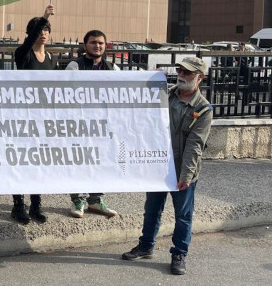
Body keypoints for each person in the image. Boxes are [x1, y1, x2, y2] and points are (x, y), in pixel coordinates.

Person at [122, 57, 213, 276]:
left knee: (183, 215)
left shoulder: (203, 109)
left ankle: (179, 253)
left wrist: (186, 175)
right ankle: (146, 246)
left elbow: (194, 145)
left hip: (183, 170)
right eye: (179, 70)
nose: (181, 75)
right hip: (158, 167)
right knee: (152, 210)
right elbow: (140, 108)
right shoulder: (166, 94)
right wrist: (151, 80)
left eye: (187, 72)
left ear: (199, 78)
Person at [65, 30, 120, 219]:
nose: (97, 46)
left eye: (101, 43)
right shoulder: (75, 66)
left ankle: (96, 200)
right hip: (79, 123)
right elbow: (67, 93)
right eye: (93, 42)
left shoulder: (113, 68)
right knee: (78, 160)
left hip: (103, 125)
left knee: (101, 161)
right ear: (85, 45)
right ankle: (78, 200)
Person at [11, 5, 55, 225]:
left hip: (42, 117)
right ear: (30, 33)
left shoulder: (51, 58)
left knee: (39, 161)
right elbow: (27, 45)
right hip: (23, 116)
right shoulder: (23, 53)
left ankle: (36, 204)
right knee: (21, 161)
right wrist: (44, 16)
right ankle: (18, 205)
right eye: (39, 30)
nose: (43, 33)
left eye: (46, 29)